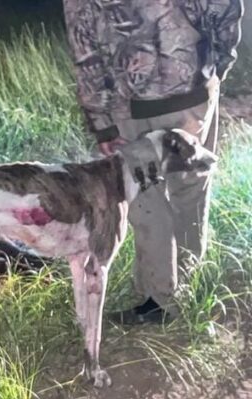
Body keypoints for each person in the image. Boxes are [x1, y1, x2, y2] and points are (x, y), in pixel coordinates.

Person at [63, 0, 244, 323]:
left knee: (146, 202)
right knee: (190, 194)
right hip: (193, 96)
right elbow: (225, 8)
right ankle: (185, 288)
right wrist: (215, 66)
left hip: (130, 108)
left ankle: (160, 300)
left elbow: (85, 48)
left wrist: (101, 121)